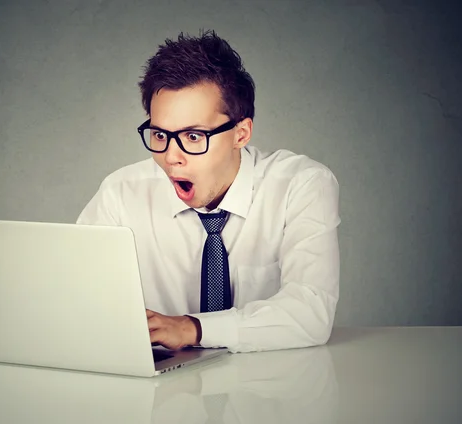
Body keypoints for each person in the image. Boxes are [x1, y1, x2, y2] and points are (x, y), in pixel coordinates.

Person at [76, 30, 340, 353]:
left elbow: (312, 312)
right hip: (163, 398)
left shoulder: (301, 185)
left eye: (193, 136)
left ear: (240, 134)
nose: (172, 156)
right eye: (160, 135)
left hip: (273, 390)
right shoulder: (120, 194)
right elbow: (74, 299)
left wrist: (194, 328)